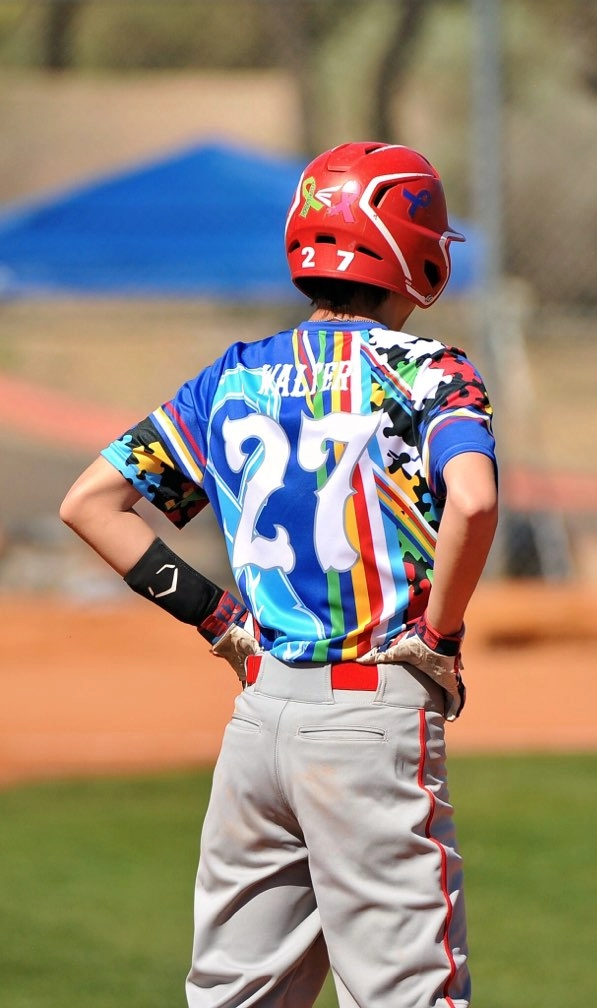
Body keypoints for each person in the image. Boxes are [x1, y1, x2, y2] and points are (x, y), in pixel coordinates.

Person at [60, 141, 498, 1008]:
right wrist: (439, 638)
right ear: (414, 254)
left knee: (236, 994)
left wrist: (221, 621)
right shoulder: (427, 372)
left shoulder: (232, 377)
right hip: (370, 713)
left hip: (258, 719)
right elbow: (474, 503)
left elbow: (90, 504)